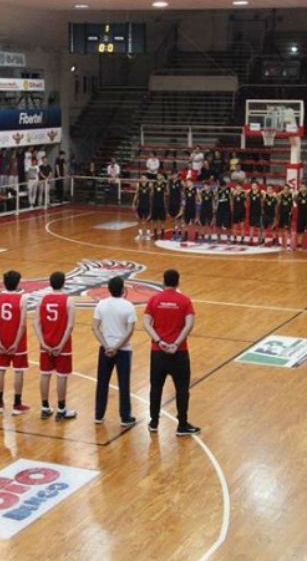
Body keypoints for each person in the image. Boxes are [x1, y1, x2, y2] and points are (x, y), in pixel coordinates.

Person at [143, 269, 199, 436]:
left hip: (158, 352)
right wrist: (176, 343)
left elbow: (146, 323)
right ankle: (182, 424)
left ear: (163, 281)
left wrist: (159, 341)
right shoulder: (185, 301)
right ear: (178, 282)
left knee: (156, 388)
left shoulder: (154, 299)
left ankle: (153, 422)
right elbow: (189, 324)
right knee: (182, 389)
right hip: (179, 352)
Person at [91, 276, 136, 426]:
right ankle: (125, 417)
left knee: (102, 382)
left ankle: (98, 415)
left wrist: (106, 346)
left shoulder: (101, 305)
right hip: (123, 350)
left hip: (105, 349)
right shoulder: (129, 306)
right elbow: (129, 331)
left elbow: (95, 328)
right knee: (124, 384)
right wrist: (116, 347)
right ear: (123, 289)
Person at [34, 271, 77, 421]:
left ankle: (45, 408)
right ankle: (61, 409)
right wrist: (61, 344)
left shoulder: (42, 300)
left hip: (46, 344)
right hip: (62, 345)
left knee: (45, 374)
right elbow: (70, 326)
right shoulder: (68, 300)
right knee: (61, 376)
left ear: (50, 283)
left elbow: (36, 323)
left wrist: (43, 343)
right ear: (64, 283)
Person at [0, 270, 31, 415]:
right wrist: (15, 343)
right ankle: (17, 404)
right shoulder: (22, 299)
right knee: (18, 371)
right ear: (18, 283)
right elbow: (22, 324)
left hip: (1, 339)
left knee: (0, 370)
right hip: (17, 341)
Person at [214, 175, 233, 244]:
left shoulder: (229, 189)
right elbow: (216, 198)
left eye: (224, 186)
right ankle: (218, 238)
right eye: (222, 187)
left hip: (227, 209)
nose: (223, 188)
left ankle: (228, 239)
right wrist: (217, 192)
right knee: (218, 225)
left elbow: (231, 199)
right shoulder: (218, 189)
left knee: (228, 225)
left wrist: (231, 208)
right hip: (219, 209)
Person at [133, 176, 151, 241]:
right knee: (139, 219)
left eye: (144, 178)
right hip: (140, 204)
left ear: (147, 179)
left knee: (147, 220)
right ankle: (140, 234)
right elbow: (136, 194)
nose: (143, 179)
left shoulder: (150, 185)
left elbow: (152, 194)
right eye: (142, 178)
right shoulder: (138, 185)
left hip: (147, 204)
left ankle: (148, 234)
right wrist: (133, 202)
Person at [150, 173, 168, 240]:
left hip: (162, 203)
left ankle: (163, 234)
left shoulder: (165, 184)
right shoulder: (153, 184)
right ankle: (155, 233)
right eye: (157, 175)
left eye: (160, 175)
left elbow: (168, 191)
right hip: (155, 203)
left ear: (162, 176)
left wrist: (165, 181)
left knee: (163, 220)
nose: (158, 176)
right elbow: (151, 193)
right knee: (154, 220)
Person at [278, 184, 296, 250]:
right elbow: (277, 195)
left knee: (288, 228)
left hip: (288, 213)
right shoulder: (281, 195)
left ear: (288, 189)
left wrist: (291, 211)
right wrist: (282, 191)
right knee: (280, 228)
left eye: (287, 189)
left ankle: (288, 243)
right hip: (282, 213)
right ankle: (280, 242)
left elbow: (292, 204)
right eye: (284, 189)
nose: (285, 190)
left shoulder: (291, 195)